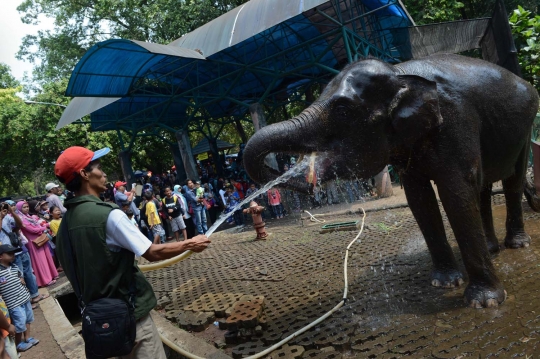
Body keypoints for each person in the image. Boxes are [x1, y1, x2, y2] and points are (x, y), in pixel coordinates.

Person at [53, 146, 210, 359]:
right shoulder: (108, 215)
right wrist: (190, 243)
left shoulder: (64, 226)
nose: (104, 173)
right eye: (98, 167)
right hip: (129, 317)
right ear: (84, 174)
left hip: (98, 323)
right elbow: (152, 252)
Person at [1, 203, 45, 309]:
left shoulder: (7, 216)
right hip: (8, 253)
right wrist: (1, 216)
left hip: (19, 248)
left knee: (29, 272)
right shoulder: (2, 216)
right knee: (18, 277)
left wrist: (12, 212)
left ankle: (35, 295)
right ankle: (26, 302)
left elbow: (19, 225)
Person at [0, 244, 39, 352]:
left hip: (24, 298)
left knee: (28, 318)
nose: (13, 255)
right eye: (9, 253)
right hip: (13, 303)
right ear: (0, 256)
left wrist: (22, 279)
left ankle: (27, 337)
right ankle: (18, 343)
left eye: (13, 253)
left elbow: (20, 276)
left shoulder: (14, 266)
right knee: (19, 322)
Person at [16, 201, 58, 287]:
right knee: (40, 261)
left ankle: (52, 275)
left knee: (46, 258)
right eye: (24, 207)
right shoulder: (21, 219)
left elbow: (37, 227)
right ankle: (45, 280)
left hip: (40, 239)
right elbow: (33, 230)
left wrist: (40, 228)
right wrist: (43, 227)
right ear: (20, 208)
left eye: (27, 206)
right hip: (33, 242)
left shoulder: (28, 217)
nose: (26, 208)